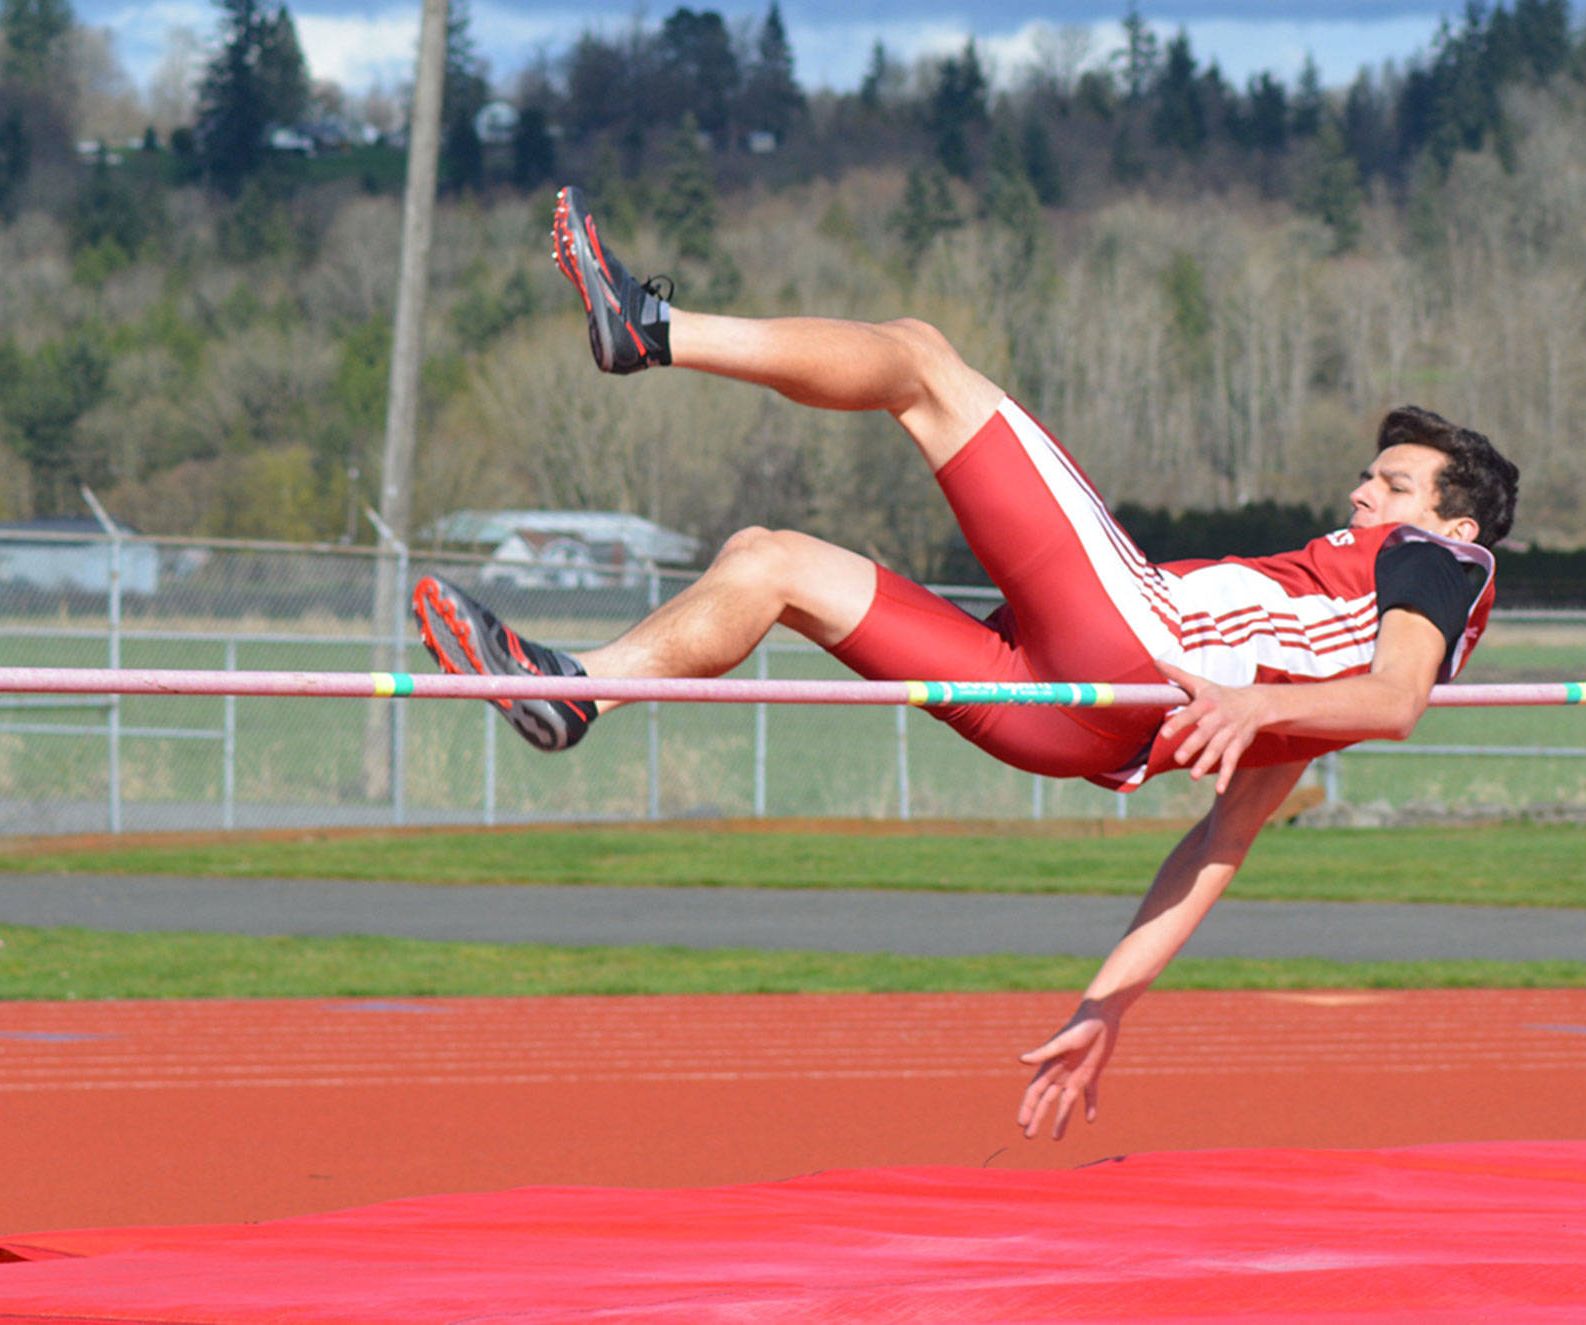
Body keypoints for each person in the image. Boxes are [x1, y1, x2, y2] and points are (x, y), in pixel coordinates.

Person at [414, 186, 1519, 1141]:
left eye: (1393, 485)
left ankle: (649, 329)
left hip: (1136, 648)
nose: (1361, 493)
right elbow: (1218, 843)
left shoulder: (1437, 563)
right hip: (1074, 721)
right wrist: (1106, 1006)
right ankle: (573, 693)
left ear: (1456, 525)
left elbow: (1398, 701)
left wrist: (1245, 703)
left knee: (920, 361)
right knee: (768, 563)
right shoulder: (1308, 674)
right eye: (1369, 477)